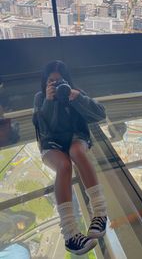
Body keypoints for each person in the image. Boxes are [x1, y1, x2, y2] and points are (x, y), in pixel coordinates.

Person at [32, 60, 107, 256]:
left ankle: (100, 213)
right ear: (45, 82)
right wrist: (49, 102)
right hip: (52, 143)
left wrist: (77, 97)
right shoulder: (40, 98)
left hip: (76, 138)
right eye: (52, 82)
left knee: (76, 152)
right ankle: (70, 235)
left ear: (67, 80)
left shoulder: (75, 93)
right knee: (64, 166)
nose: (57, 86)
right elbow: (45, 129)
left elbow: (100, 114)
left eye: (60, 81)